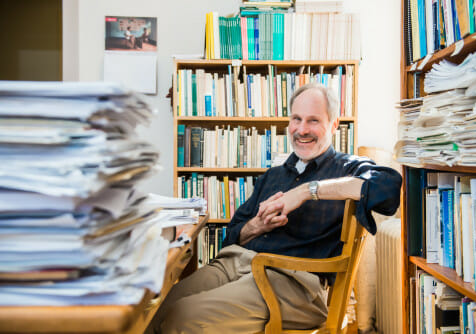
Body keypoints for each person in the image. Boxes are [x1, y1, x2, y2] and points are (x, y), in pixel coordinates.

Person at [152, 83, 402, 333]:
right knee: (154, 309)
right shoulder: (273, 175)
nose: (302, 130)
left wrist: (307, 191)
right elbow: (231, 236)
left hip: (293, 283)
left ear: (334, 124)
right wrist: (255, 226)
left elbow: (387, 187)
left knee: (182, 317)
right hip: (236, 264)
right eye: (296, 119)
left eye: (313, 121)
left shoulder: (347, 167)